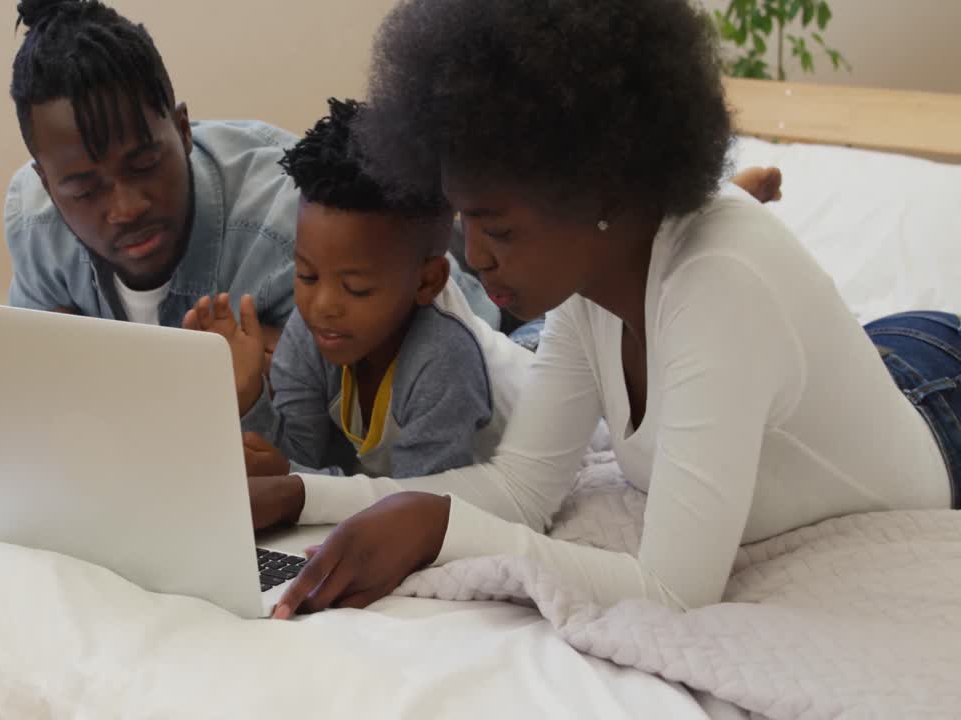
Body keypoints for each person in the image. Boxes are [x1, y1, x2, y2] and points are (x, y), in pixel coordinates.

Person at [257, 0, 961, 619]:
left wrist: (441, 527)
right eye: (465, 222)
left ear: (602, 192)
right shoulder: (591, 283)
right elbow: (522, 486)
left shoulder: (719, 285)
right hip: (833, 373)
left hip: (937, 388)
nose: (474, 258)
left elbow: (674, 592)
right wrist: (304, 496)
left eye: (499, 230)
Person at [3, 0, 501, 362]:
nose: (127, 207)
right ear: (47, 184)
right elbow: (33, 365)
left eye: (144, 164)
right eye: (85, 191)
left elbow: (481, 342)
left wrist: (288, 359)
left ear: (182, 130)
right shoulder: (35, 223)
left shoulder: (291, 226)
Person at [184, 99, 536, 506]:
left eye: (357, 288)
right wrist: (248, 395)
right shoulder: (311, 331)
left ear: (428, 281)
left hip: (540, 380)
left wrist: (291, 481)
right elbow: (299, 456)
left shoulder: (444, 361)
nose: (323, 305)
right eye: (307, 275)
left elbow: (418, 506)